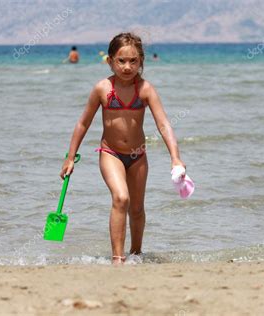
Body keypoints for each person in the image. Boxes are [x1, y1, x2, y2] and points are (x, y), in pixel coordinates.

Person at [59, 33, 186, 265]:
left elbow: (163, 124)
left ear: (141, 61)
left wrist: (176, 158)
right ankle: (118, 258)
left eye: (133, 61)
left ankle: (136, 254)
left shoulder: (145, 89)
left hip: (138, 157)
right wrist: (69, 158)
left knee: (137, 209)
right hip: (111, 154)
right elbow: (83, 123)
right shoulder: (103, 88)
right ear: (110, 61)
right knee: (121, 198)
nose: (127, 67)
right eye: (121, 61)